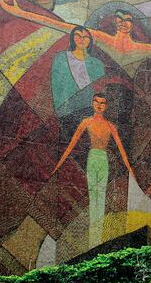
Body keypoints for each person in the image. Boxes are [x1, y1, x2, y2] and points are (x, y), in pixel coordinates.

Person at [0, 0, 151, 65]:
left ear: (132, 25)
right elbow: (63, 26)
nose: (122, 23)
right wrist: (20, 12)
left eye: (127, 20)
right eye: (119, 19)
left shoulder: (140, 47)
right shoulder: (103, 38)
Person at [52, 93, 135, 248]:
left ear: (106, 106)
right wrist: (58, 165)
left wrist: (130, 170)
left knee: (101, 197)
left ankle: (98, 241)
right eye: (96, 102)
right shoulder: (86, 122)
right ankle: (92, 241)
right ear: (92, 103)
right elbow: (71, 145)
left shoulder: (110, 126)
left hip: (103, 159)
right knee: (93, 196)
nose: (99, 105)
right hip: (92, 158)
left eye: (102, 103)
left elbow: (122, 150)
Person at [50, 26, 106, 117]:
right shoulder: (61, 57)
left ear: (90, 40)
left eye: (86, 36)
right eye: (78, 35)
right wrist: (60, 109)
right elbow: (57, 86)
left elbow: (100, 90)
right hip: (65, 107)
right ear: (72, 38)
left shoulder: (97, 64)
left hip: (89, 108)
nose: (82, 39)